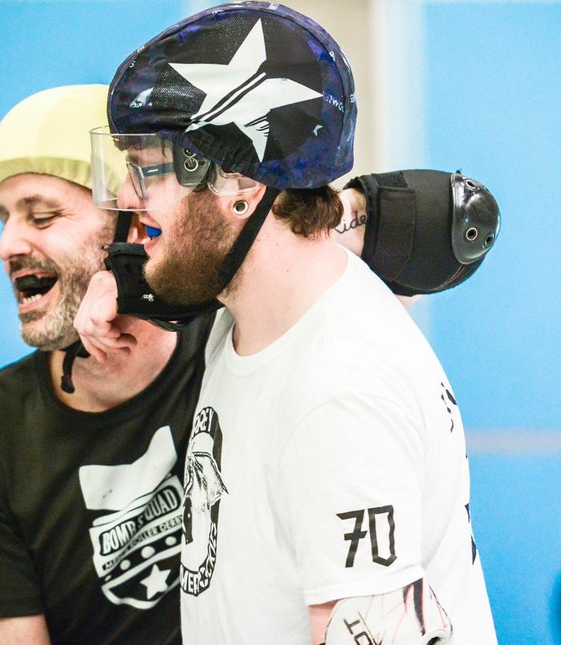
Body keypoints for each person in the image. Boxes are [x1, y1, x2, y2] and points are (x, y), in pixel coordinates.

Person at [0, 83, 502, 643]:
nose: (5, 245)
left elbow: (445, 217)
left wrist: (325, 203)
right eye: (4, 218)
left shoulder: (242, 333)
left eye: (43, 216)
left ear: (134, 220)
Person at [86, 3, 498, 642]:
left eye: (148, 169)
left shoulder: (338, 394)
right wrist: (118, 284)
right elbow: (225, 250)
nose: (128, 198)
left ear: (239, 186)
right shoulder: (259, 311)